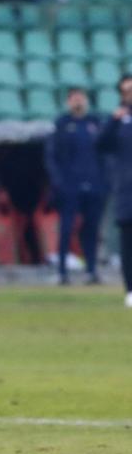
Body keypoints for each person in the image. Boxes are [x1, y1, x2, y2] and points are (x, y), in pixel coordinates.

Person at [44, 87, 107, 284]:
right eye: (74, 99)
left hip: (94, 186)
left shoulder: (95, 124)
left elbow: (105, 155)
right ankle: (62, 272)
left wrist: (105, 181)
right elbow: (51, 156)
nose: (78, 102)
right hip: (69, 186)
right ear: (69, 102)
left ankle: (91, 270)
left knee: (91, 228)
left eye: (81, 98)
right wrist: (58, 181)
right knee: (66, 228)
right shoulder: (62, 124)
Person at [98, 74, 132, 308]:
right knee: (128, 244)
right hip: (127, 191)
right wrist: (113, 119)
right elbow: (100, 144)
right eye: (126, 91)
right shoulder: (118, 121)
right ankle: (130, 290)